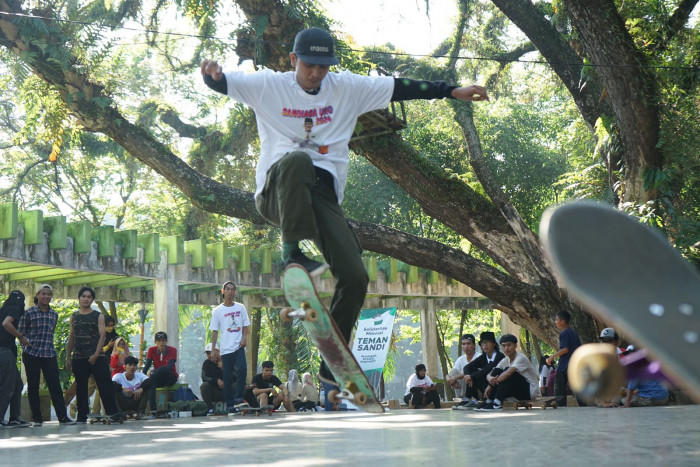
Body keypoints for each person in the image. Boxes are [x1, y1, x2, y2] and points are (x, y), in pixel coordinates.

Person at [201, 27, 489, 388]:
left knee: (355, 275)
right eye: (309, 66)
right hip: (277, 193)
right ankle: (292, 254)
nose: (316, 74)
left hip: (321, 198)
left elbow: (399, 87)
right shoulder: (270, 85)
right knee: (298, 160)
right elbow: (224, 83)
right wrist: (213, 77)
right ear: (293, 60)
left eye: (323, 67)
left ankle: (331, 359)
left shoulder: (347, 88)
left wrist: (450, 90)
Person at [17, 284, 75, 426]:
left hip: (49, 354)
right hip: (31, 354)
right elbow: (20, 333)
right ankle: (37, 418)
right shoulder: (29, 313)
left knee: (55, 385)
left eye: (49, 294)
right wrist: (26, 344)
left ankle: (62, 417)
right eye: (43, 293)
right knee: (33, 386)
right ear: (37, 295)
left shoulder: (54, 314)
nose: (46, 296)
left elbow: (51, 332)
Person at [65, 287, 120, 423]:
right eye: (83, 296)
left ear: (92, 299)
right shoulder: (74, 316)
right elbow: (71, 336)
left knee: (105, 385)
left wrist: (96, 354)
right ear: (79, 298)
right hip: (78, 357)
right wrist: (67, 358)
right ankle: (82, 416)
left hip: (97, 357)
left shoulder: (98, 316)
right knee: (81, 388)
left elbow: (102, 335)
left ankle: (112, 413)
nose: (86, 299)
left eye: (89, 297)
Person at [209, 281, 250, 413]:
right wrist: (214, 349)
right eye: (227, 289)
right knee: (226, 378)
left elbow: (245, 325)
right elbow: (214, 331)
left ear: (235, 292)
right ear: (223, 291)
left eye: (232, 289)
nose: (230, 291)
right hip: (226, 349)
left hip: (238, 346)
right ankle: (230, 405)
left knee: (243, 369)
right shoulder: (217, 311)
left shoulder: (240, 307)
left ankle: (238, 398)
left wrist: (244, 338)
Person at [476, 334, 541, 411]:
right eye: (503, 346)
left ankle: (497, 403)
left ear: (515, 346)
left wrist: (491, 383)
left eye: (509, 345)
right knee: (495, 372)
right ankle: (489, 401)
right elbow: (491, 373)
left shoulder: (521, 358)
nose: (506, 348)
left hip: (530, 392)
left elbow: (508, 374)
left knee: (508, 372)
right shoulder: (506, 359)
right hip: (516, 392)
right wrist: (490, 381)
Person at [0, 290, 31, 428]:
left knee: (18, 384)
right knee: (8, 386)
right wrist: (20, 336)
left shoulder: (3, 309)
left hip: (5, 352)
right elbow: (7, 324)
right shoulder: (15, 308)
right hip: (5, 352)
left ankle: (15, 418)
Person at [546, 310, 582, 407]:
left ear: (562, 321)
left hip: (564, 366)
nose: (555, 322)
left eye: (556, 320)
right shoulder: (574, 333)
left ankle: (561, 409)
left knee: (559, 391)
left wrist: (551, 357)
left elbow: (565, 349)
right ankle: (584, 406)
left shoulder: (564, 333)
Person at [460, 331, 504, 407]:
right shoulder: (483, 357)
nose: (485, 345)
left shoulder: (500, 356)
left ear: (493, 344)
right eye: (483, 343)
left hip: (497, 385)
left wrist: (471, 376)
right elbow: (467, 367)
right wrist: (468, 376)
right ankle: (470, 399)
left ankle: (490, 401)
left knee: (480, 374)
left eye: (487, 343)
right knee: (472, 372)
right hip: (485, 387)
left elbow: (488, 369)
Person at [142, 331, 178, 416]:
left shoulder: (173, 350)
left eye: (163, 340)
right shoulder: (152, 350)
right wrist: (142, 377)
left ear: (166, 341)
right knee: (151, 383)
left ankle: (152, 377)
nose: (161, 343)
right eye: (159, 341)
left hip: (170, 377)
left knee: (164, 369)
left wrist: (153, 373)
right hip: (158, 378)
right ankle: (153, 410)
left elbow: (169, 367)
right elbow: (147, 365)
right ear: (156, 342)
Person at [448, 334, 481, 410]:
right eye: (463, 344)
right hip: (464, 388)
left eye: (469, 343)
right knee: (453, 371)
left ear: (474, 345)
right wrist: (451, 380)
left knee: (466, 374)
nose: (466, 346)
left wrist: (455, 378)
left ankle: (470, 400)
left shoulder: (479, 357)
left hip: (478, 389)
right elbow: (450, 373)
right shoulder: (461, 359)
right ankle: (464, 400)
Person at [199, 343, 225, 412]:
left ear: (218, 351)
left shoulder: (226, 360)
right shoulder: (206, 363)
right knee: (204, 386)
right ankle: (210, 408)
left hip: (227, 390)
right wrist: (216, 381)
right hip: (215, 391)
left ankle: (235, 405)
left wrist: (225, 369)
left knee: (237, 385)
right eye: (207, 354)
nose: (210, 355)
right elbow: (204, 377)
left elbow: (236, 375)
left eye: (211, 353)